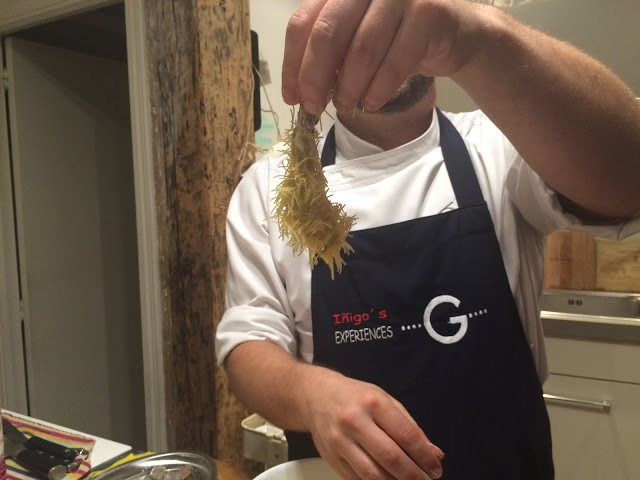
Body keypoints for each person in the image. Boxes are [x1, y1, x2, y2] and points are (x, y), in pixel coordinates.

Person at [216, 1, 640, 479]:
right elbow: (248, 340)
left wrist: (478, 37)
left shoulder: (500, 145)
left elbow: (630, 181)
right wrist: (311, 394)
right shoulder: (273, 185)